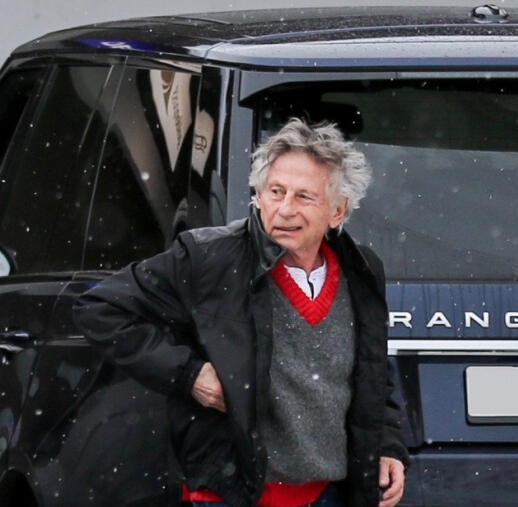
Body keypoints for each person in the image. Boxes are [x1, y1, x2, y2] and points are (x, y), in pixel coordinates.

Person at [74, 119, 409, 507]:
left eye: (304, 197)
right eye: (276, 192)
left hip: (326, 494)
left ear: (337, 211)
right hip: (229, 493)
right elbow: (100, 308)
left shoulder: (362, 270)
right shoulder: (209, 258)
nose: (284, 209)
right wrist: (189, 374)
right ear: (258, 196)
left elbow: (371, 374)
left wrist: (387, 446)